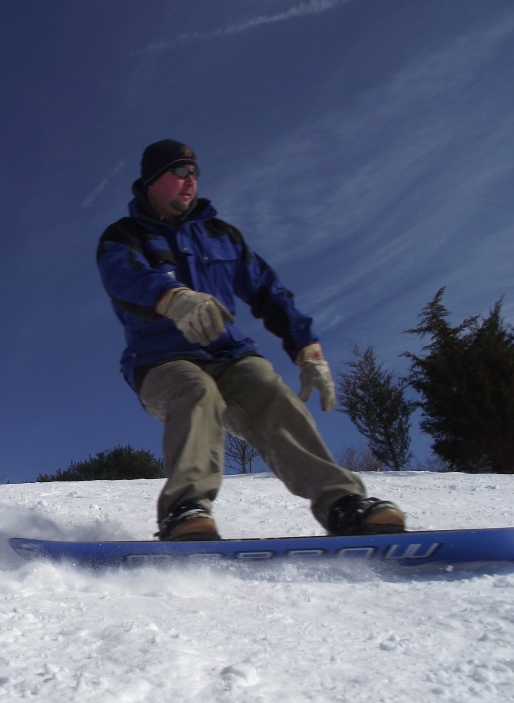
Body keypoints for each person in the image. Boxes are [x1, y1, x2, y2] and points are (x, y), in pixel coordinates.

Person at [96, 139, 406, 541]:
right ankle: (184, 511)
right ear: (153, 180)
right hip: (160, 360)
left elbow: (269, 293)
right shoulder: (124, 236)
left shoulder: (220, 235)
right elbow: (123, 278)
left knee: (270, 392)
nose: (190, 181)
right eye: (179, 172)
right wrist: (172, 297)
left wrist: (306, 349)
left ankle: (343, 503)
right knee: (196, 392)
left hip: (229, 353)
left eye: (194, 173)